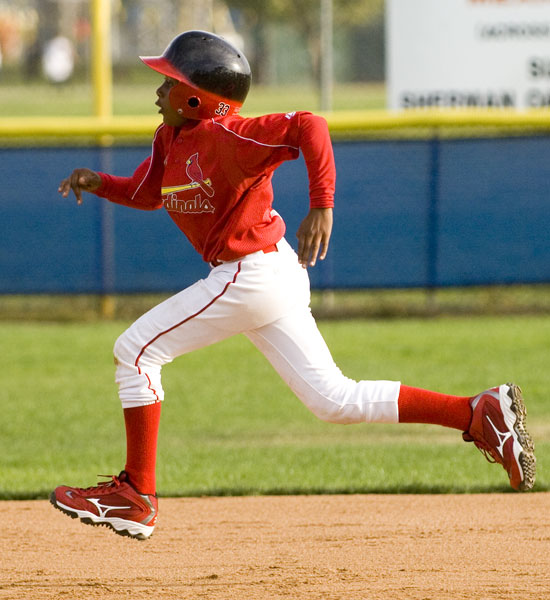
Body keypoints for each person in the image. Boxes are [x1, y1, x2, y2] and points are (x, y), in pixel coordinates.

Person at [50, 31, 536, 540]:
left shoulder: (233, 136)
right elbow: (149, 192)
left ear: (195, 99)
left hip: (251, 274)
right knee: (334, 400)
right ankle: (476, 413)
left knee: (136, 352)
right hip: (263, 275)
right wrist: (99, 183)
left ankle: (136, 494)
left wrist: (322, 204)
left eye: (168, 82)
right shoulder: (169, 138)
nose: (158, 90)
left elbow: (310, 125)